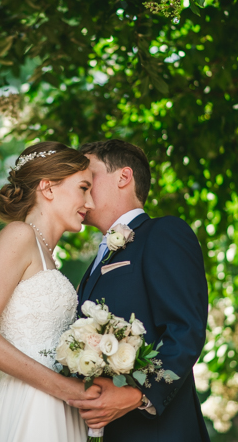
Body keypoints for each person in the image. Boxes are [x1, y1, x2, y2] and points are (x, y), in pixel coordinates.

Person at [67, 139, 211, 442]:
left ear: (124, 176)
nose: (80, 186)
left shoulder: (164, 233)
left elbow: (185, 329)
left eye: (89, 176)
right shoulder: (94, 262)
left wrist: (136, 394)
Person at [0, 141, 100, 442]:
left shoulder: (48, 256)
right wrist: (67, 389)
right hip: (30, 407)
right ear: (48, 188)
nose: (89, 203)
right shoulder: (19, 235)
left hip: (59, 408)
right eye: (83, 188)